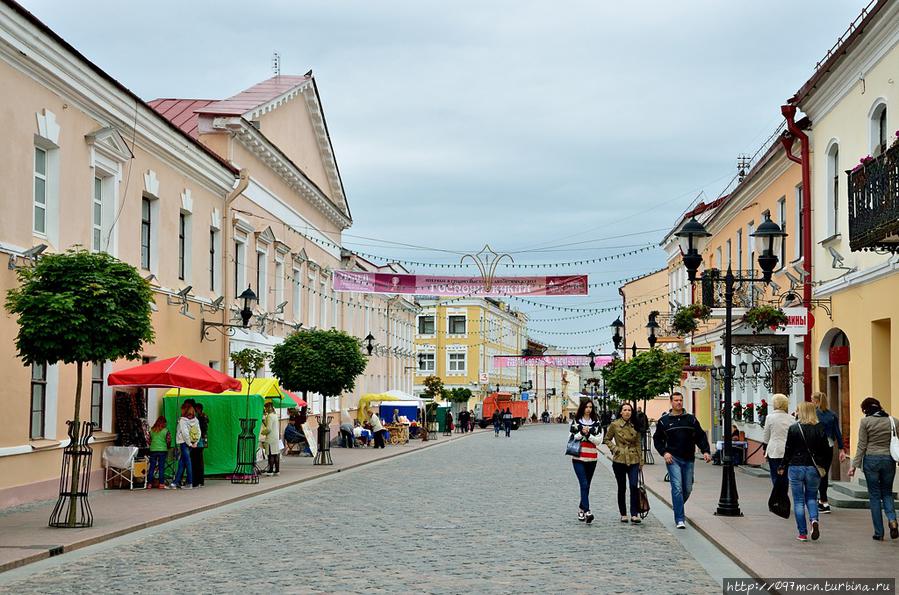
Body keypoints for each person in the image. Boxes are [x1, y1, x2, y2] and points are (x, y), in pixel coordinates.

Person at [652, 392, 711, 529]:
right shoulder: (664, 421)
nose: (679, 402)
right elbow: (657, 439)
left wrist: (706, 451)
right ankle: (680, 518)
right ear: (671, 402)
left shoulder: (691, 420)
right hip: (673, 458)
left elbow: (700, 436)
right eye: (676, 400)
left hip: (689, 458)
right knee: (677, 488)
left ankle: (677, 506)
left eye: (681, 400)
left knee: (688, 488)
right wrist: (664, 452)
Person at [848, 397, 899, 541]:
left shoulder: (865, 422)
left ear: (866, 409)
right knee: (887, 493)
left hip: (871, 460)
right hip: (888, 460)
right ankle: (892, 520)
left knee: (875, 496)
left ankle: (879, 532)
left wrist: (854, 466)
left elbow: (861, 445)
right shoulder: (893, 421)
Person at [780, 401, 829, 542]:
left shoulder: (794, 428)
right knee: (812, 498)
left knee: (799, 501)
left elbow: (788, 450)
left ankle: (802, 533)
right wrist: (823, 465)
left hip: (796, 467)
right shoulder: (820, 428)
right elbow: (826, 450)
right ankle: (814, 520)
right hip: (813, 468)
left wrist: (782, 465)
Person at [603, 402, 644, 523]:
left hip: (634, 459)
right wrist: (615, 449)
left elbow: (637, 443)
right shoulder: (614, 425)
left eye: (629, 410)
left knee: (633, 486)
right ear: (620, 412)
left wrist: (641, 460)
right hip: (619, 460)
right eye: (625, 410)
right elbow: (607, 439)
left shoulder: (635, 425)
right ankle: (623, 513)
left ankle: (634, 513)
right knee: (622, 487)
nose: (627, 412)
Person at [812, 391, 847, 514]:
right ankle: (824, 501)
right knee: (824, 473)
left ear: (816, 401)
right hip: (829, 446)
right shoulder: (832, 414)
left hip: (815, 447)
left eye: (812, 399)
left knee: (815, 473)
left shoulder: (814, 414)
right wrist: (842, 449)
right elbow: (837, 432)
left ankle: (818, 500)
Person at [569, 399, 601, 523]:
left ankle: (581, 509)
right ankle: (587, 511)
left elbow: (598, 440)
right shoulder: (576, 422)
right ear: (582, 408)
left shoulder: (596, 422)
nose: (588, 409)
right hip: (578, 457)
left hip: (592, 457)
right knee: (583, 483)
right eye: (586, 407)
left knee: (587, 485)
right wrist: (582, 433)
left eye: (590, 407)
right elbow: (572, 437)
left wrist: (589, 436)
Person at [762, 394, 793, 486]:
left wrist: (764, 448)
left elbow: (766, 435)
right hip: (787, 450)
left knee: (775, 474)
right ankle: (784, 495)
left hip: (774, 450)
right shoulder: (791, 418)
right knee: (785, 475)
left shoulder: (769, 418)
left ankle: (777, 496)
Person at [170, 402, 199, 489]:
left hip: (184, 443)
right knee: (181, 463)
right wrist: (195, 443)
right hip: (191, 443)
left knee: (187, 462)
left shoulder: (183, 421)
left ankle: (189, 483)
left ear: (184, 410)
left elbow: (185, 433)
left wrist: (189, 443)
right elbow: (198, 432)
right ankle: (175, 482)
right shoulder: (195, 420)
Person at [147, 416, 171, 489]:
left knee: (152, 467)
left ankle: (149, 484)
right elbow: (168, 441)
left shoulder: (151, 430)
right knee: (161, 467)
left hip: (153, 450)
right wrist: (168, 447)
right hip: (162, 450)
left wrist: (152, 445)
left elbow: (149, 440)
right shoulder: (166, 431)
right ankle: (161, 484)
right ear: (164, 423)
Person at [189, 403, 208, 488]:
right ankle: (200, 481)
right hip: (202, 442)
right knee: (199, 461)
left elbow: (199, 430)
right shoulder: (204, 417)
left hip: (197, 442)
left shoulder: (198, 419)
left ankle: (196, 481)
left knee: (196, 462)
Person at [261, 402, 280, 476]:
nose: (265, 410)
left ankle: (271, 470)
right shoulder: (275, 415)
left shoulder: (269, 416)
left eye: (266, 408)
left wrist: (263, 432)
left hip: (270, 438)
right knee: (276, 454)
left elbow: (268, 429)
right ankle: (277, 470)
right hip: (275, 437)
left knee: (271, 455)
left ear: (268, 408)